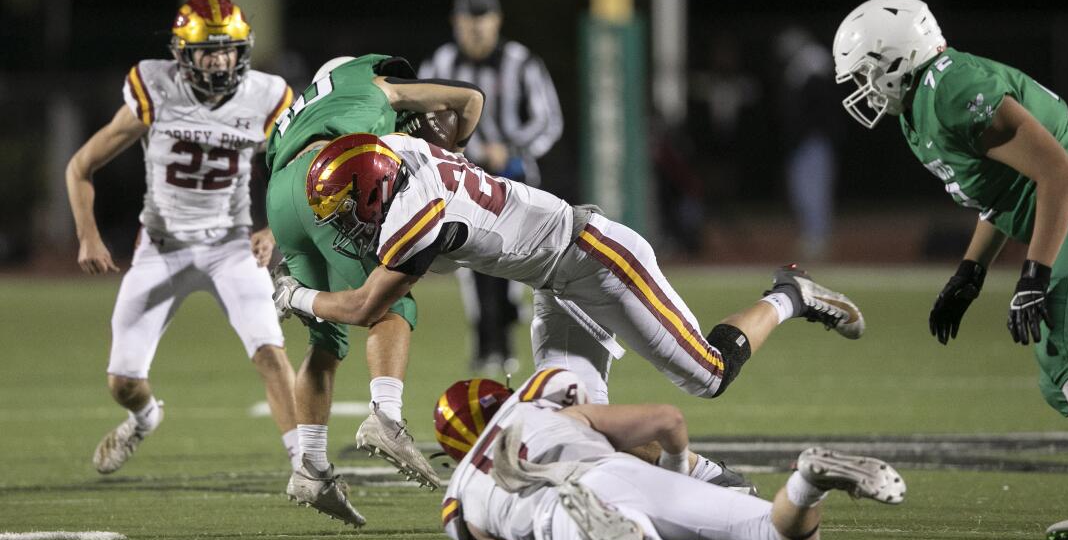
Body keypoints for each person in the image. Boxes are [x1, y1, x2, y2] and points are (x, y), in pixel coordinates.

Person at [831, 0, 1068, 540]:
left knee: (1067, 339)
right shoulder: (921, 109)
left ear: (897, 58)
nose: (861, 87)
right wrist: (971, 270)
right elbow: (1008, 191)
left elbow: (1059, 172)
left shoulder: (953, 89)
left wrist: (1035, 272)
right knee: (1062, 378)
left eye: (864, 71)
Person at [273, 131, 864, 408]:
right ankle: (699, 479)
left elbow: (364, 308)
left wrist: (295, 296)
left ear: (376, 189)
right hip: (554, 279)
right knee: (570, 412)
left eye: (348, 207)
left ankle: (790, 293)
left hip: (599, 260)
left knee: (708, 375)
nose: (345, 221)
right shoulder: (399, 149)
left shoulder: (417, 213)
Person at [65, 0, 299, 475]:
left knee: (269, 351)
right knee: (122, 382)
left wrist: (273, 228)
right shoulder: (157, 90)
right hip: (161, 248)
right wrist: (87, 235)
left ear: (243, 51)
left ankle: (308, 466)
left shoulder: (266, 95)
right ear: (182, 54)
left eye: (227, 50)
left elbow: (299, 171)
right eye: (207, 51)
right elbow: (80, 166)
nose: (219, 61)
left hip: (231, 246)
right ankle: (146, 417)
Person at [265, 53, 484, 526]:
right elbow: (470, 97)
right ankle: (386, 416)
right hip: (324, 181)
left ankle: (311, 465)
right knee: (389, 302)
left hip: (281, 196)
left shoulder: (298, 111)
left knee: (326, 337)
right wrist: (456, 154)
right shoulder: (371, 84)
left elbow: (280, 167)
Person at [434, 368, 906, 540]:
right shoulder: (546, 408)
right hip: (617, 471)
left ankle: (622, 535)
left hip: (559, 512)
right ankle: (808, 479)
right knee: (786, 538)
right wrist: (678, 474)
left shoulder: (462, 499)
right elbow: (668, 420)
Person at [420, 0, 564, 379]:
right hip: (460, 180)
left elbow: (548, 119)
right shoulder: (440, 63)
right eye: (469, 19)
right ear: (456, 22)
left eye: (483, 18)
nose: (477, 28)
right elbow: (419, 117)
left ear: (497, 21)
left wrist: (513, 148)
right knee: (471, 267)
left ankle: (506, 341)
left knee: (514, 263)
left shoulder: (522, 62)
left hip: (513, 178)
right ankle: (486, 346)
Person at [776, 26, 846, 262]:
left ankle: (818, 237)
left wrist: (807, 133)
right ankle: (812, 234)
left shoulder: (813, 64)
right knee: (802, 189)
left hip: (814, 141)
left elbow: (817, 108)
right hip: (806, 142)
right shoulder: (802, 67)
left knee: (814, 189)